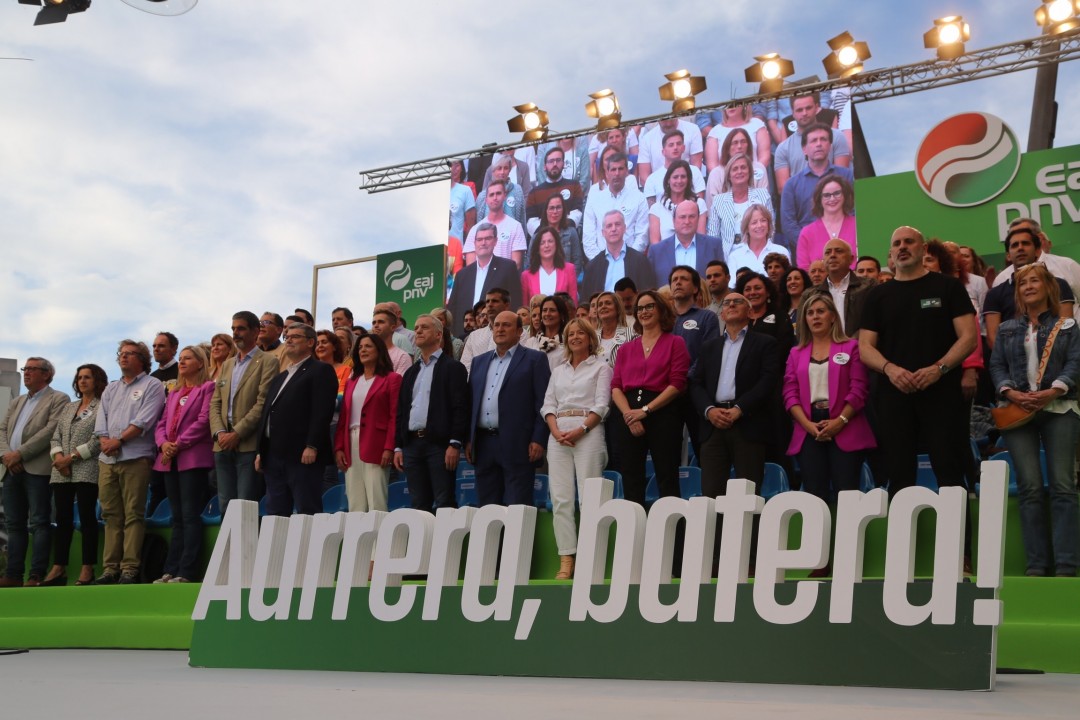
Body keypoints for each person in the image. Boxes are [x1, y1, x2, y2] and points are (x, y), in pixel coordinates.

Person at [859, 227, 979, 569]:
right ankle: (902, 559)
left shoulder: (947, 287)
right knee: (899, 475)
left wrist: (938, 369)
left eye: (908, 242)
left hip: (941, 393)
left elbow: (968, 338)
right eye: (896, 243)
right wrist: (891, 370)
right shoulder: (878, 296)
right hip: (894, 394)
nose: (902, 247)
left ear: (923, 248)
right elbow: (865, 347)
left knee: (949, 472)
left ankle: (961, 556)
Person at [988, 264, 1080, 577]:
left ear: (1048, 287)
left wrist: (1054, 390)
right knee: (1029, 487)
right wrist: (1010, 392)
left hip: (1060, 407)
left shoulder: (1068, 326)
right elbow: (997, 366)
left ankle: (1067, 565)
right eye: (1022, 283)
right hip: (1018, 411)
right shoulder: (1006, 328)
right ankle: (1037, 565)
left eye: (1034, 281)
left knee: (1063, 486)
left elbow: (1075, 362)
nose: (1027, 286)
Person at [783, 295, 875, 505]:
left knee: (847, 495)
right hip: (809, 427)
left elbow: (859, 388)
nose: (815, 316)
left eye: (820, 311)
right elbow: (790, 393)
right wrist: (807, 425)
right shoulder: (795, 353)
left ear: (833, 316)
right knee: (814, 498)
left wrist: (840, 421)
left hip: (845, 423)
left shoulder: (851, 347)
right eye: (810, 313)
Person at [689, 292, 781, 498]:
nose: (731, 305)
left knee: (747, 496)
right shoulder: (709, 347)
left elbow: (768, 381)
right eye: (727, 303)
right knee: (711, 494)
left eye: (737, 301)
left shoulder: (765, 343)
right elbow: (696, 384)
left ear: (750, 312)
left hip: (748, 424)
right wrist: (709, 410)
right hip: (713, 425)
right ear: (722, 314)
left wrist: (740, 408)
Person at [541, 318, 611, 580]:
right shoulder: (558, 370)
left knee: (589, 496)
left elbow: (602, 405)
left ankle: (591, 557)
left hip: (588, 432)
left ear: (590, 338)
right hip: (558, 434)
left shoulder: (601, 367)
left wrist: (581, 429)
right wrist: (555, 430)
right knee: (561, 498)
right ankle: (567, 557)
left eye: (581, 333)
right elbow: (548, 404)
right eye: (571, 334)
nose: (575, 337)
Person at [93, 340, 167, 584]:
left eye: (130, 354)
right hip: (107, 459)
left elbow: (145, 420)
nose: (123, 357)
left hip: (135, 457)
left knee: (133, 513)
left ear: (142, 359)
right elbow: (101, 421)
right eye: (121, 354)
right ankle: (110, 569)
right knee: (110, 514)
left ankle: (129, 568)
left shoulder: (152, 385)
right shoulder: (111, 388)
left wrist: (119, 440)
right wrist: (105, 441)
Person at [610, 290, 690, 504]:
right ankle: (634, 525)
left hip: (662, 413)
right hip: (628, 414)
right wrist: (629, 415)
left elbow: (677, 384)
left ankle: (672, 526)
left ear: (661, 310)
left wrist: (645, 411)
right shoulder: (626, 348)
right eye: (640, 308)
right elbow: (616, 386)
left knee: (667, 476)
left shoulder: (675, 343)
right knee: (631, 478)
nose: (643, 312)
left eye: (649, 306)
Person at [467, 311, 551, 506]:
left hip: (519, 444)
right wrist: (469, 438)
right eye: (496, 325)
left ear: (520, 331)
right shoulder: (479, 361)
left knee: (517, 506)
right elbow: (472, 402)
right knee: (487, 508)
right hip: (483, 443)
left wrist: (538, 439)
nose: (500, 329)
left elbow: (543, 402)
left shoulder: (535, 359)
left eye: (506, 325)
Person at [256, 323, 339, 516]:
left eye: (295, 336)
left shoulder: (321, 370)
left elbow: (322, 412)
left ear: (310, 342)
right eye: (287, 337)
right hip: (273, 455)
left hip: (302, 454)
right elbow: (268, 413)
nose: (289, 340)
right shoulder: (280, 377)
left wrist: (312, 445)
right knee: (275, 512)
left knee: (306, 509)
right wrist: (262, 451)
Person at [0, 358, 69, 587]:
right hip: (11, 469)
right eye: (25, 369)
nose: (26, 372)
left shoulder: (58, 398)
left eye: (32, 369)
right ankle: (13, 574)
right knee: (14, 524)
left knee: (39, 522)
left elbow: (50, 431)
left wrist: (19, 454)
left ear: (46, 374)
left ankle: (36, 574)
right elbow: (2, 429)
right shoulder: (17, 401)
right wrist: (7, 456)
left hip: (37, 469)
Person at [394, 314, 470, 512]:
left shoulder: (453, 367)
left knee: (444, 502)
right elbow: (402, 410)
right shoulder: (411, 372)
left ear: (438, 335)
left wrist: (455, 443)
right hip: (411, 445)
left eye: (424, 327)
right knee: (418, 505)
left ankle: (446, 535)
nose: (418, 331)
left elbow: (460, 408)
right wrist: (399, 446)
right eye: (416, 327)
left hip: (440, 445)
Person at [152, 345, 215, 583]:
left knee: (190, 515)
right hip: (169, 459)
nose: (182, 362)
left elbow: (203, 421)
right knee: (176, 517)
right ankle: (170, 569)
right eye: (181, 358)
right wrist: (163, 444)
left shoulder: (207, 388)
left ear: (200, 363)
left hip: (192, 459)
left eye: (188, 358)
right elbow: (161, 423)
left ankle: (187, 571)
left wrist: (177, 444)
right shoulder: (174, 392)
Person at [210, 311, 281, 516]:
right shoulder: (227, 365)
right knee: (225, 505)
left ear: (255, 331)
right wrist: (220, 433)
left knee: (245, 505)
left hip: (248, 443)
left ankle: (247, 540)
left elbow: (263, 403)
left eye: (241, 328)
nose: (236, 333)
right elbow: (215, 402)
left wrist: (237, 433)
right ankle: (228, 539)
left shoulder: (268, 361)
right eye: (233, 329)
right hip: (222, 444)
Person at [43, 364, 107, 586]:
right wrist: (59, 458)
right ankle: (58, 567)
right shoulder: (69, 407)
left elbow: (98, 439)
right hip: (61, 470)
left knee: (87, 518)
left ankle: (87, 568)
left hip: (86, 468)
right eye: (80, 377)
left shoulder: (102, 406)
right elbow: (55, 437)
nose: (82, 381)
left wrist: (70, 458)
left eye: (87, 377)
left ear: (97, 380)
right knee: (62, 519)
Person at [334, 335, 401, 513]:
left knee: (376, 499)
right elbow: (344, 417)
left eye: (368, 346)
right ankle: (357, 532)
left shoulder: (392, 379)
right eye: (360, 347)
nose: (363, 350)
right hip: (350, 441)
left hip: (376, 442)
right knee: (355, 502)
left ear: (379, 350)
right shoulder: (351, 382)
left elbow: (394, 416)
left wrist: (389, 447)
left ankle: (379, 532)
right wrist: (339, 447)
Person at [983, 226, 1075, 349]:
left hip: (1055, 356)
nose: (1020, 248)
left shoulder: (1059, 285)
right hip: (1011, 359)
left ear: (1037, 251)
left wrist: (1047, 357)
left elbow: (1066, 330)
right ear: (1008, 255)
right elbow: (993, 338)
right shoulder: (995, 294)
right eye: (1015, 245)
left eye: (1025, 243)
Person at [781, 127, 856, 252]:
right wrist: (810, 245)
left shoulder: (847, 176)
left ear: (830, 146)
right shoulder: (792, 185)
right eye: (814, 140)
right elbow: (789, 224)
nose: (819, 144)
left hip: (846, 249)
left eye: (823, 139)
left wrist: (840, 244)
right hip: (808, 252)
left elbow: (855, 212)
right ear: (804, 149)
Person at [447, 223, 522, 337]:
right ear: (474, 243)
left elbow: (515, 303)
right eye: (479, 239)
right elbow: (453, 309)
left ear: (495, 241)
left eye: (488, 238)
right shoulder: (462, 275)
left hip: (496, 334)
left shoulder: (508, 267)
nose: (483, 243)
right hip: (464, 336)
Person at [773, 93, 852, 191]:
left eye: (808, 108)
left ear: (817, 108)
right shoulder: (783, 148)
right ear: (792, 112)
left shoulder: (837, 136)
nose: (804, 113)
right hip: (801, 199)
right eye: (799, 110)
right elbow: (783, 188)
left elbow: (842, 177)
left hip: (833, 196)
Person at [582, 152, 649, 259]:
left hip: (631, 260)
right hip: (600, 261)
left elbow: (642, 235)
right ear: (607, 173)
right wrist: (600, 262)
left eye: (620, 169)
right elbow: (588, 238)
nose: (617, 173)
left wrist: (629, 259)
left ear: (627, 172)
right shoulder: (594, 200)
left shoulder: (639, 198)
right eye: (613, 169)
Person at [707, 153, 773, 258]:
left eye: (743, 167)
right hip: (727, 257)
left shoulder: (763, 196)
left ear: (750, 172)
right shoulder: (718, 201)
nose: (739, 171)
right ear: (729, 175)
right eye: (735, 169)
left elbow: (770, 230)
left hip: (759, 255)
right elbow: (713, 236)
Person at [580, 210, 657, 300]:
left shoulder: (640, 261)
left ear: (625, 228)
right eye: (609, 226)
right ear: (603, 233)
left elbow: (649, 296)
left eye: (617, 224)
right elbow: (585, 300)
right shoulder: (592, 267)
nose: (613, 229)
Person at [649, 199, 725, 284]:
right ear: (673, 220)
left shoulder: (714, 246)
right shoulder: (656, 251)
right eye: (682, 217)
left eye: (692, 216)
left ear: (698, 219)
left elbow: (720, 281)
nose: (687, 221)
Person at [812, 238, 874, 336]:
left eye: (838, 251)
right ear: (823, 261)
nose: (832, 255)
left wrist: (852, 342)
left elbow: (875, 320)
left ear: (851, 259)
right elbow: (803, 331)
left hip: (860, 344)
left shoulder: (869, 286)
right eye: (828, 252)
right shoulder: (811, 294)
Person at [795, 174, 857, 271]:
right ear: (819, 199)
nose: (832, 199)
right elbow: (804, 269)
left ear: (844, 195)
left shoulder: (858, 225)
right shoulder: (807, 233)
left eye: (837, 193)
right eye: (827, 195)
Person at [464, 180, 527, 268]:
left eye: (498, 193)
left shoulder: (516, 227)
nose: (495, 197)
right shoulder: (475, 230)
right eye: (491, 195)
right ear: (486, 200)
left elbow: (516, 264)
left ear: (504, 196)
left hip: (506, 276)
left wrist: (498, 274)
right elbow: (470, 266)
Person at [704, 127, 769, 208]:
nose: (739, 146)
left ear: (748, 145)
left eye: (743, 142)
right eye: (735, 143)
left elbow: (764, 199)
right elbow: (712, 207)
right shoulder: (716, 174)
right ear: (727, 148)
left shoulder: (759, 168)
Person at [526, 146, 584, 235]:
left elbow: (577, 213)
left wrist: (561, 230)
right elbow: (531, 222)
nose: (555, 164)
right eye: (551, 161)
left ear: (563, 164)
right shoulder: (534, 193)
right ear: (545, 166)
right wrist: (549, 233)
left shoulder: (574, 186)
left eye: (558, 160)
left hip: (568, 235)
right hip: (543, 238)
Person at [648, 161, 709, 245]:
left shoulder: (699, 204)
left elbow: (701, 239)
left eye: (683, 177)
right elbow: (655, 244)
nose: (679, 181)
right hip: (664, 252)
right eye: (675, 177)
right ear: (668, 180)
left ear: (688, 180)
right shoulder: (656, 208)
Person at [726, 203, 790, 281]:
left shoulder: (781, 251)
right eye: (754, 222)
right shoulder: (735, 256)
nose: (759, 225)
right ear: (746, 228)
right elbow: (732, 286)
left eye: (763, 220)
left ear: (769, 224)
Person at [642, 131, 707, 204]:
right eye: (671, 145)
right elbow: (652, 208)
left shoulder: (695, 172)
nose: (675, 147)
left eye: (678, 144)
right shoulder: (652, 179)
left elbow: (700, 203)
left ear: (683, 148)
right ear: (663, 151)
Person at [704, 104, 771, 174]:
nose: (730, 107)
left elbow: (765, 157)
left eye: (734, 103)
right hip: (724, 179)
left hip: (755, 176)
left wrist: (752, 175)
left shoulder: (757, 125)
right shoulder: (715, 132)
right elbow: (712, 166)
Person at [521, 226, 579, 305]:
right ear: (537, 248)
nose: (546, 245)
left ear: (556, 244)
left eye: (550, 241)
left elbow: (573, 304)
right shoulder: (526, 276)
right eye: (542, 243)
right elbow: (525, 307)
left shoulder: (569, 269)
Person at [540, 194, 586, 273]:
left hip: (567, 278)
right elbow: (531, 264)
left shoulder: (572, 233)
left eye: (558, 207)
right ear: (546, 211)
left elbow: (577, 262)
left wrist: (569, 279)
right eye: (551, 208)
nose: (555, 211)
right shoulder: (537, 236)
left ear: (563, 210)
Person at [524, 294, 571, 371]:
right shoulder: (531, 342)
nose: (547, 314)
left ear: (562, 315)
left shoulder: (568, 343)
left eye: (552, 310)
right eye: (544, 310)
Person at [449, 158, 477, 242]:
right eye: (451, 166)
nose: (454, 169)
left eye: (457, 165)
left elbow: (470, 218)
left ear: (462, 168)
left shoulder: (467, 188)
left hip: (461, 237)